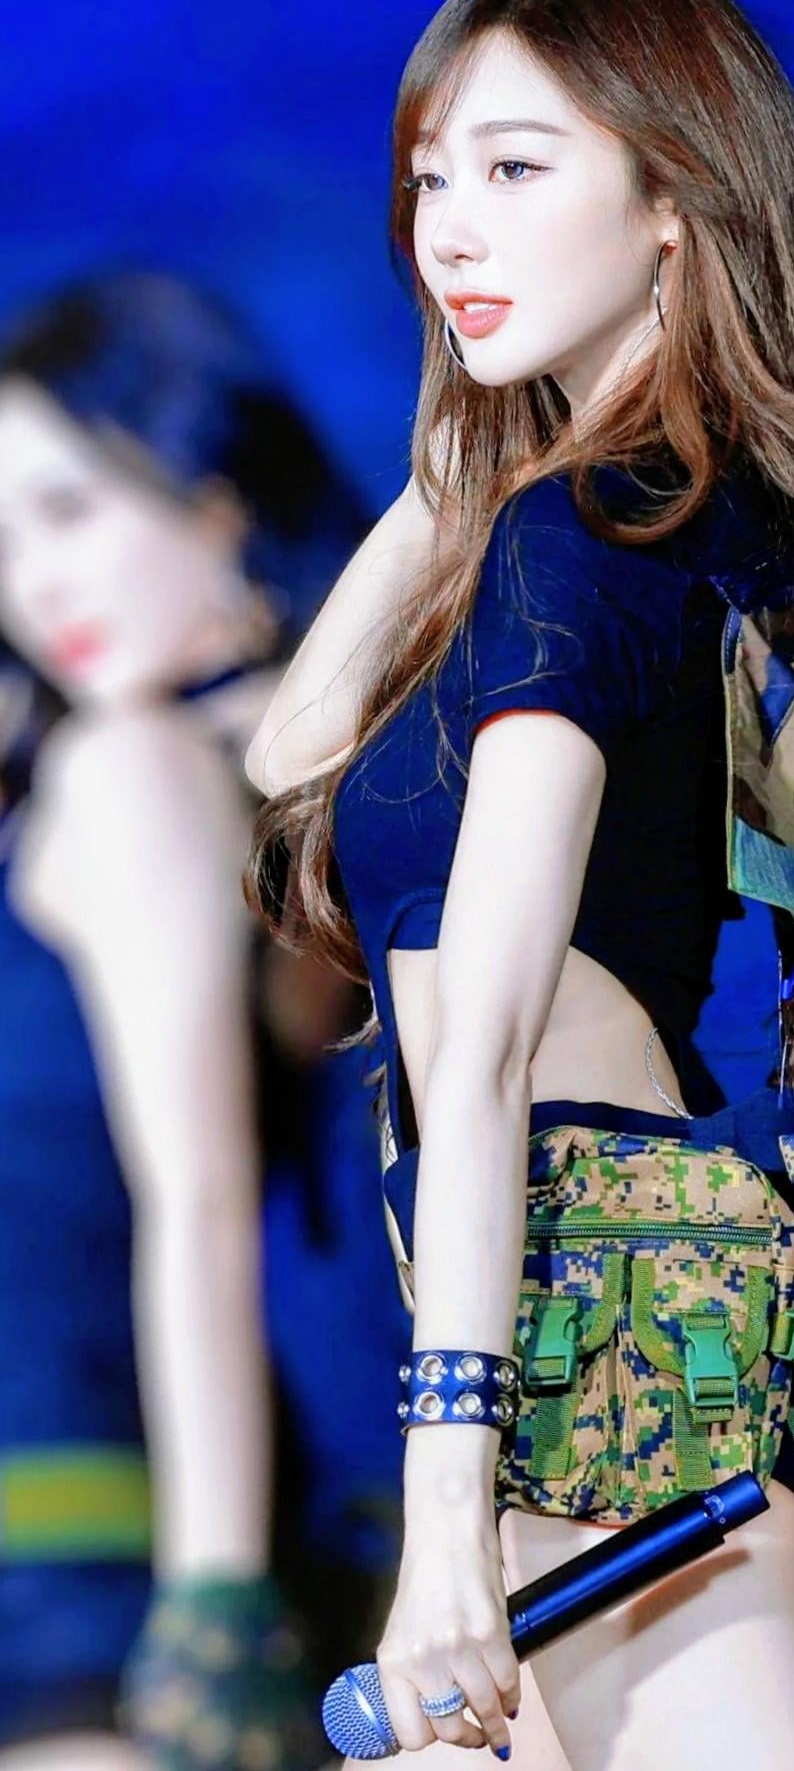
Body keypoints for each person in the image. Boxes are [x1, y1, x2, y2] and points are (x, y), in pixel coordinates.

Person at [245, 0, 794, 1768]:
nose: (450, 229)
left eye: (517, 168)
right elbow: (295, 749)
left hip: (592, 1424)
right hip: (593, 1402)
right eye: (431, 178)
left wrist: (441, 1531)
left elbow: (491, 1053)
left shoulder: (586, 542)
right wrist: (456, 457)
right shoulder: (630, 512)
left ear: (675, 198)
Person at [0, 271, 407, 1769]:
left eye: (69, 508)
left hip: (90, 1549)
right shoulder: (224, 776)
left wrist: (214, 1605)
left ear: (214, 491)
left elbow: (206, 1204)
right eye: (1, 543)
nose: (35, 585)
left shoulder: (136, 771)